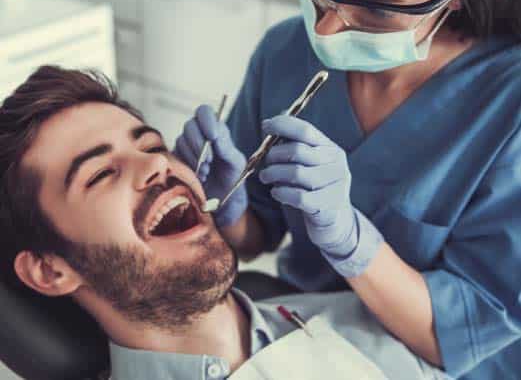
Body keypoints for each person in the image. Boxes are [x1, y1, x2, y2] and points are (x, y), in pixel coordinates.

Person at [174, 0, 521, 378]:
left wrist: (353, 242)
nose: (325, 28)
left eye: (374, 8)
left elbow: (462, 336)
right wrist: (227, 205)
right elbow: (255, 240)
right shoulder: (285, 51)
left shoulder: (506, 107)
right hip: (306, 337)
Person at [0, 65, 445, 380]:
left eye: (153, 145)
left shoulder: (365, 324)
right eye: (99, 174)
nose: (157, 167)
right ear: (51, 270)